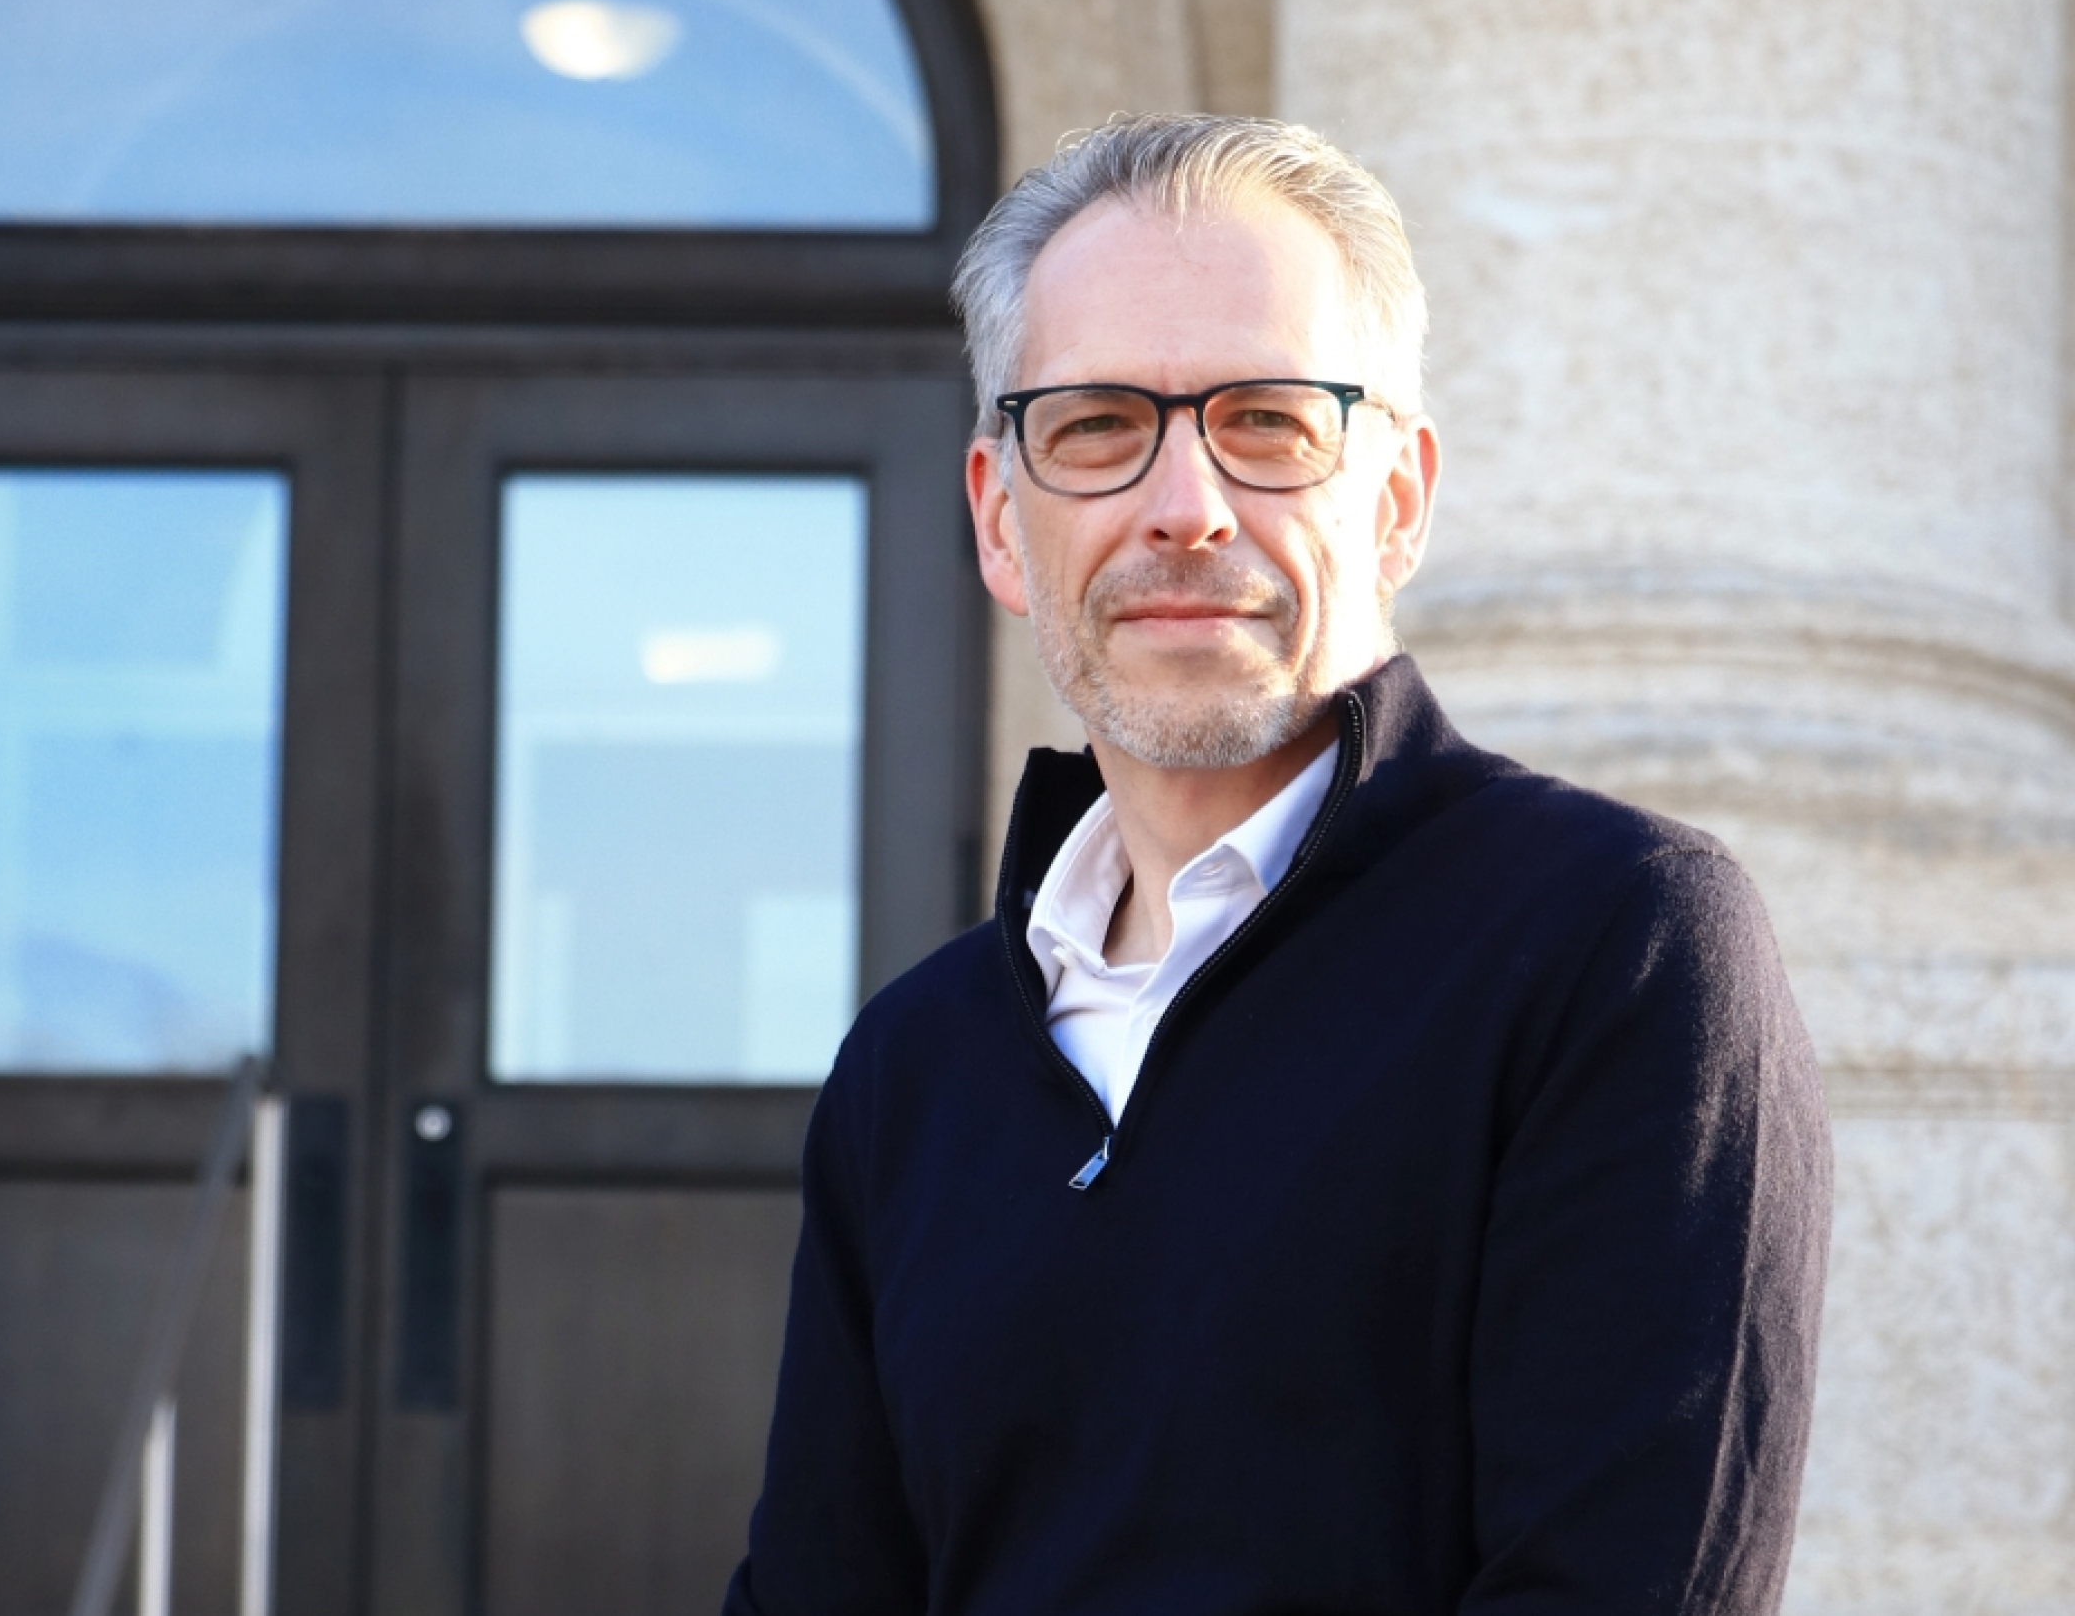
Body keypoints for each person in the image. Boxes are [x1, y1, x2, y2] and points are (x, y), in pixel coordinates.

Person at [721, 114, 1833, 1616]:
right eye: (1098, 424)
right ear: (1000, 516)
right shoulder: (909, 1071)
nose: (1184, 507)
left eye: (1269, 420)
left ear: (1395, 501)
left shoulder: (1614, 948)